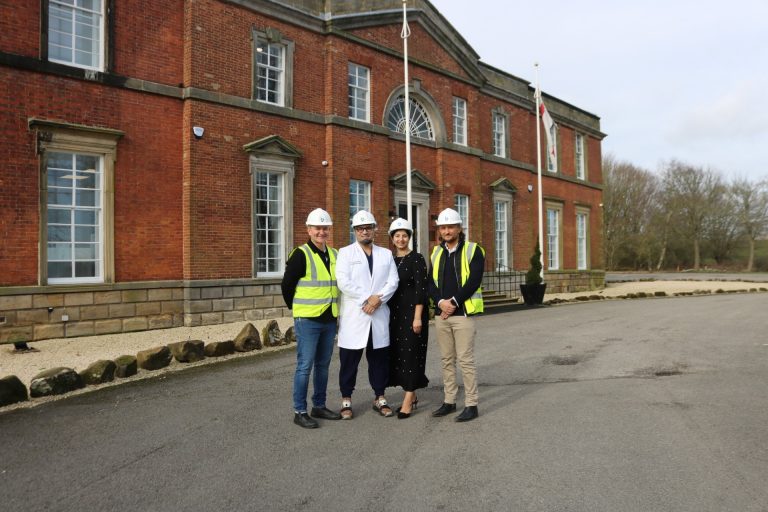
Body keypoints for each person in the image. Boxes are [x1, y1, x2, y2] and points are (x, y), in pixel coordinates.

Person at [281, 208, 343, 429]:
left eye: (325, 228)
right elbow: (287, 286)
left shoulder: (335, 254)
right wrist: (297, 310)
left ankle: (319, 405)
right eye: (317, 228)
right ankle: (300, 411)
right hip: (307, 320)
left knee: (323, 365)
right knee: (304, 366)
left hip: (328, 318)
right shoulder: (301, 254)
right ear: (309, 229)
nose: (322, 232)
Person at [336, 210, 399, 419]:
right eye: (360, 228)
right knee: (349, 361)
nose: (364, 231)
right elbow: (344, 282)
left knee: (379, 360)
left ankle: (379, 397)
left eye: (368, 228)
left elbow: (393, 281)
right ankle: (346, 399)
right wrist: (367, 299)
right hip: (356, 315)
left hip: (378, 314)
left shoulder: (386, 254)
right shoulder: (345, 253)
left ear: (375, 230)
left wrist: (378, 300)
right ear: (355, 231)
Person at [428, 207, 485, 422]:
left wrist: (453, 302)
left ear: (460, 228)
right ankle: (449, 401)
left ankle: (471, 404)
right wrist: (441, 302)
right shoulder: (436, 252)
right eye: (443, 227)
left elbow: (474, 281)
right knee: (446, 360)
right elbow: (429, 283)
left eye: (450, 226)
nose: (446, 230)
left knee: (465, 360)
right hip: (442, 315)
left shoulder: (473, 250)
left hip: (463, 314)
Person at [386, 218, 430, 419]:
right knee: (401, 356)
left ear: (409, 238)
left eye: (404, 235)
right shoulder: (390, 260)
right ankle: (411, 394)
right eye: (397, 236)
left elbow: (422, 289)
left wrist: (418, 317)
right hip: (394, 316)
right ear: (392, 239)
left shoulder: (417, 259)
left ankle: (408, 399)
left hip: (413, 315)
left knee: (412, 355)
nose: (401, 239)